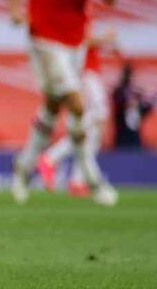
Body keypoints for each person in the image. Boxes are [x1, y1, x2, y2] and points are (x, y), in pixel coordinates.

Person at [6, 0, 119, 207]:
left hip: (76, 43)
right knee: (77, 104)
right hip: (44, 39)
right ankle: (92, 179)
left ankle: (23, 168)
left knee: (53, 107)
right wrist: (15, 9)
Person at [38, 27, 121, 196]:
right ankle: (51, 157)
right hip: (85, 73)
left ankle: (77, 181)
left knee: (93, 135)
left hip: (87, 73)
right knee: (99, 115)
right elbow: (81, 40)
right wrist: (105, 38)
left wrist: (109, 45)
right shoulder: (79, 18)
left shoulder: (85, 19)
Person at [112, 61, 157, 149]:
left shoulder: (137, 101)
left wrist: (153, 100)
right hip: (121, 142)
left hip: (135, 142)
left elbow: (146, 109)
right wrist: (130, 100)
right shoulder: (120, 93)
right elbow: (119, 100)